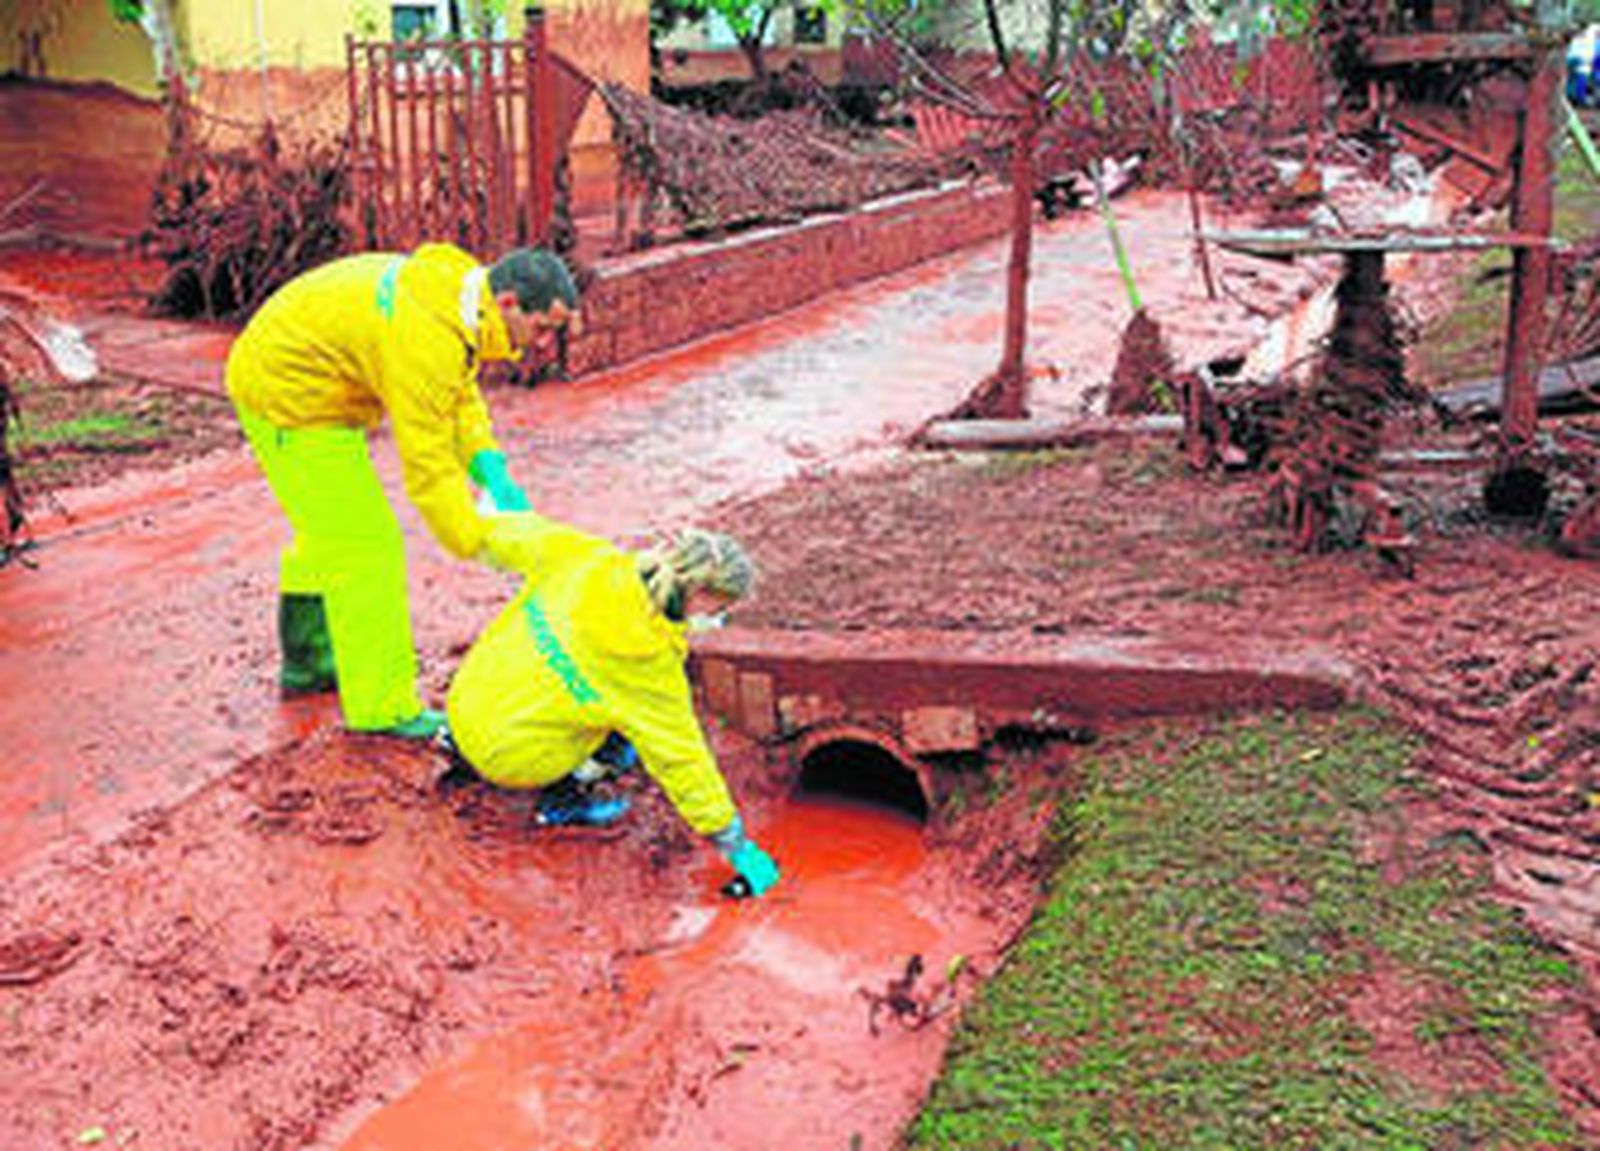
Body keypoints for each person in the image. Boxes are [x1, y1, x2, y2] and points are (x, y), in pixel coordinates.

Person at [226, 244, 581, 739]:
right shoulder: (427, 333)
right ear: (507, 303)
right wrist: (482, 542)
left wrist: (490, 471)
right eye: (542, 327)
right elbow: (428, 467)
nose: (544, 343)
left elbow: (457, 396)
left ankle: (308, 665)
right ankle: (383, 708)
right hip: (287, 394)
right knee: (364, 546)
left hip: (314, 382)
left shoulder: (455, 302)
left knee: (329, 528)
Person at [443, 514, 782, 899]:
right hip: (506, 758)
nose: (716, 619)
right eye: (718, 609)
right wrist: (735, 844)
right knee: (628, 738)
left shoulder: (587, 556)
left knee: (559, 678)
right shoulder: (648, 669)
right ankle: (560, 802)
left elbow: (507, 534)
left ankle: (455, 741)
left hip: (465, 701)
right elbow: (683, 760)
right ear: (700, 597)